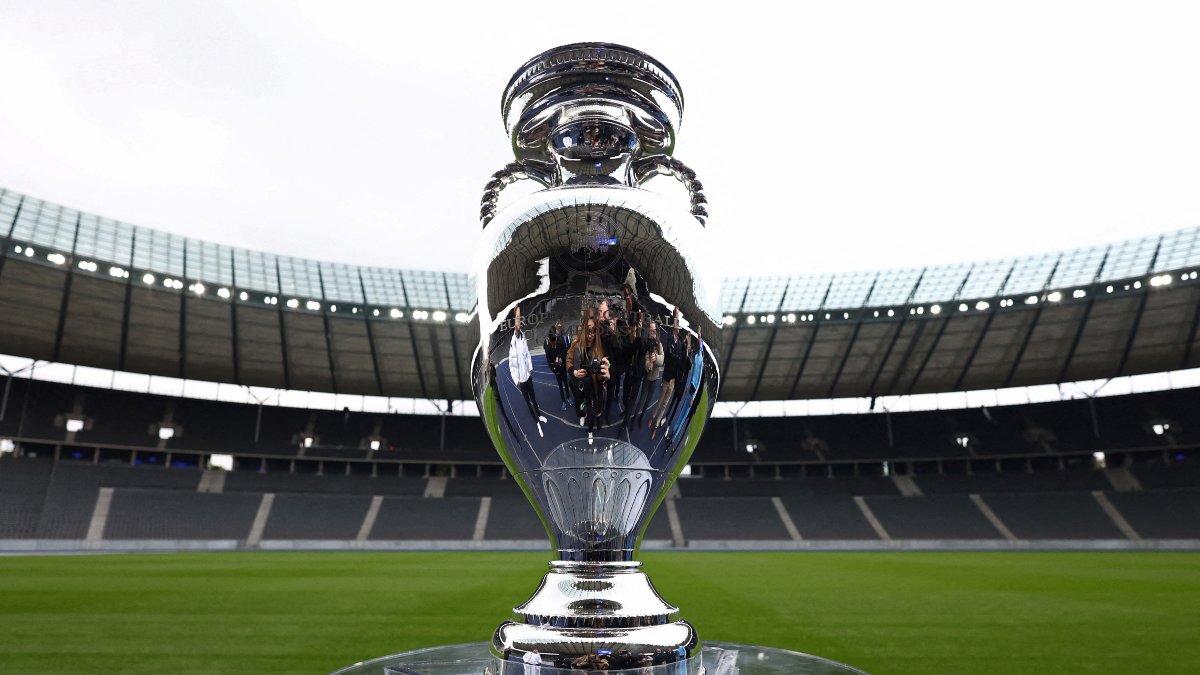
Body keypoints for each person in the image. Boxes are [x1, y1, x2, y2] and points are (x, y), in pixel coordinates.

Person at [566, 315, 610, 437]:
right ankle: (581, 415)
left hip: (592, 387)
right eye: (588, 332)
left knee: (590, 411)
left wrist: (606, 374)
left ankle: (590, 431)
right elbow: (568, 361)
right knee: (579, 407)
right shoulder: (576, 344)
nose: (590, 336)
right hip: (577, 384)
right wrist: (574, 372)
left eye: (593, 332)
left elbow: (605, 368)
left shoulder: (599, 348)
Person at [509, 307, 547, 435]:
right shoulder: (512, 343)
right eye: (517, 322)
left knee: (534, 399)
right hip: (521, 381)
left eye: (520, 322)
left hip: (528, 378)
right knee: (528, 403)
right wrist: (516, 381)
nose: (519, 325)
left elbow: (527, 355)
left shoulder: (523, 339)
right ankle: (537, 422)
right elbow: (511, 365)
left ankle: (540, 415)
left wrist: (530, 370)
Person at [649, 309, 684, 439]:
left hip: (673, 380)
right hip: (667, 377)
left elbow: (679, 360)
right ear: (674, 328)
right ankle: (652, 417)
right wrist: (676, 315)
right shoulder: (669, 337)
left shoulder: (680, 344)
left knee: (665, 405)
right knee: (659, 401)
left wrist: (676, 358)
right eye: (676, 327)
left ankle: (656, 426)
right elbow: (669, 355)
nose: (678, 330)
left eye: (679, 328)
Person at [636, 321, 664, 428]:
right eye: (650, 330)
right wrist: (648, 365)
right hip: (647, 378)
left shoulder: (659, 344)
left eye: (654, 330)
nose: (652, 332)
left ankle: (641, 417)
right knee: (642, 399)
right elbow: (646, 359)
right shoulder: (646, 343)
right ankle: (635, 418)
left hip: (655, 378)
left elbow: (662, 359)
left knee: (648, 400)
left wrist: (656, 358)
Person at [543, 319, 570, 410]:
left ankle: (569, 397)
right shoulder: (547, 346)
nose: (553, 343)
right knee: (560, 384)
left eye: (555, 341)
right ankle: (563, 401)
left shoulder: (560, 340)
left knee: (566, 383)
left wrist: (560, 357)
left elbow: (565, 351)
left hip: (562, 366)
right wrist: (555, 368)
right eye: (552, 342)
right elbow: (549, 362)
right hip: (556, 369)